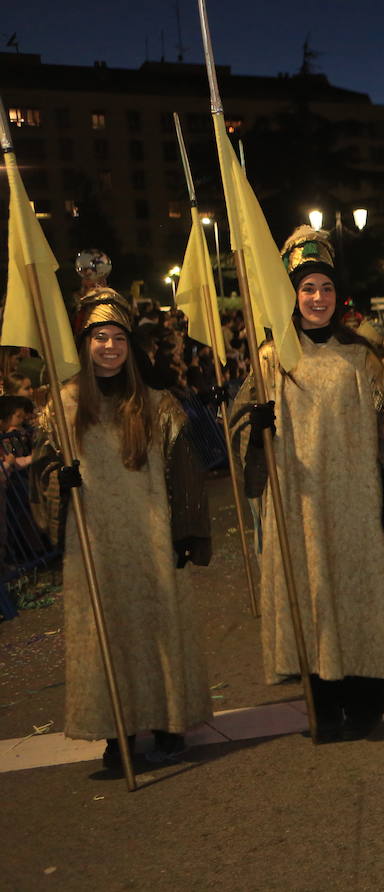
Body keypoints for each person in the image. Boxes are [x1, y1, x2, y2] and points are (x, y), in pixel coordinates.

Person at [230, 227, 384, 743]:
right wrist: (254, 427)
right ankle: (323, 703)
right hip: (297, 504)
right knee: (312, 594)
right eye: (307, 288)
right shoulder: (271, 360)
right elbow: (241, 435)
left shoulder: (362, 358)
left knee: (358, 592)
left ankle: (365, 697)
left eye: (325, 288)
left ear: (338, 295)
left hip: (354, 499)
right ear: (292, 294)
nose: (317, 298)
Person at [33, 287, 211, 771]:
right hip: (97, 544)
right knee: (109, 637)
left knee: (158, 631)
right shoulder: (61, 406)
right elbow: (42, 476)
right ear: (84, 343)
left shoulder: (156, 404)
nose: (109, 347)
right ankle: (121, 734)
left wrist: (186, 534)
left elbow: (184, 471)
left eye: (118, 338)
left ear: (130, 346)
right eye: (99, 338)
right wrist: (57, 479)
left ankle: (168, 719)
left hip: (150, 537)